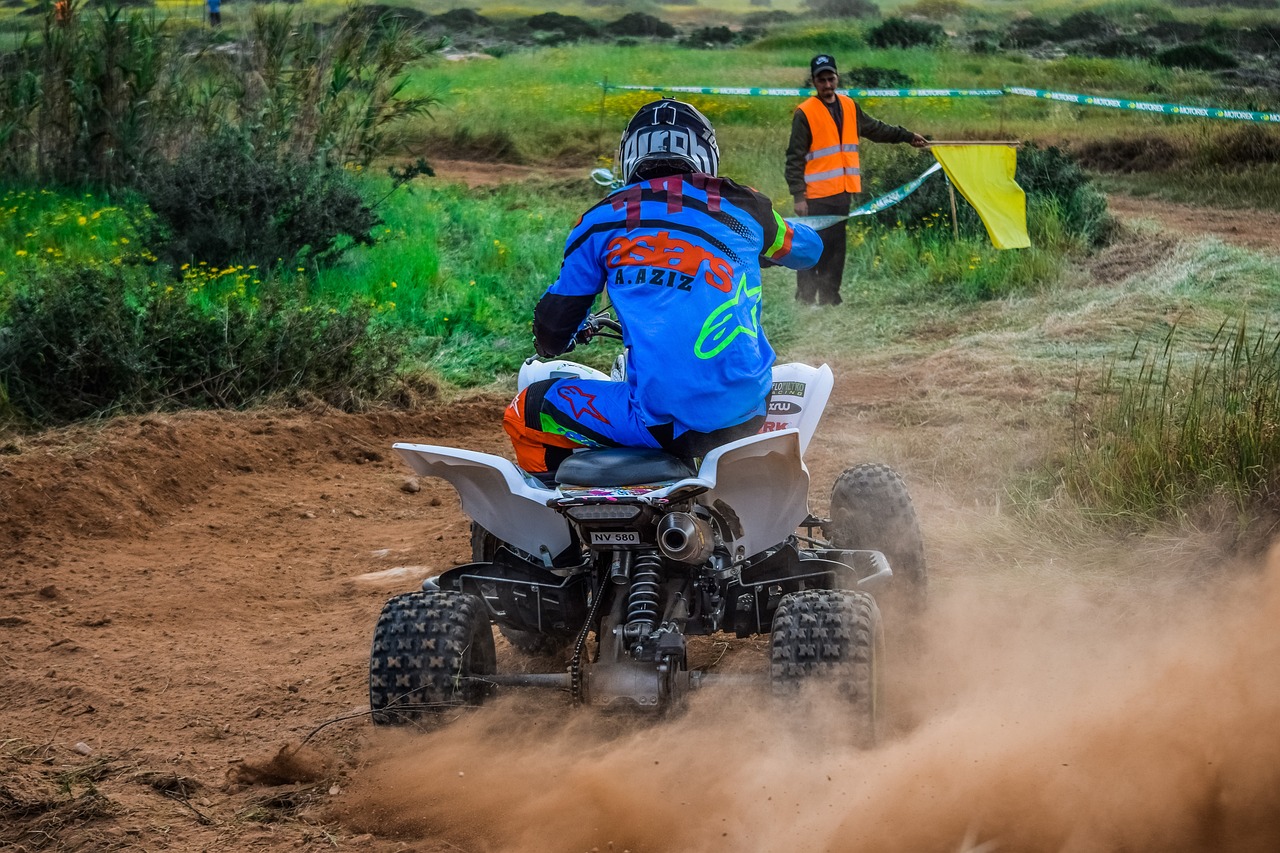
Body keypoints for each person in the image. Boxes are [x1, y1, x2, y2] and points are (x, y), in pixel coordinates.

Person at [505, 98, 824, 477]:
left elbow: (553, 333)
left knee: (525, 411)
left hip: (660, 424)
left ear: (630, 154)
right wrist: (758, 247)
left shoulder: (599, 221)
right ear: (705, 152)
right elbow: (809, 251)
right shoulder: (746, 207)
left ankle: (567, 516)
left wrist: (560, 337)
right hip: (748, 412)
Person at [785, 54, 929, 306]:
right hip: (815, 195)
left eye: (831, 79)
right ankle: (806, 299)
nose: (827, 85)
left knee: (836, 249)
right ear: (814, 82)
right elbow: (794, 157)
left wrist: (907, 136)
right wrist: (799, 195)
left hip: (842, 193)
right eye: (822, 80)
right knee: (810, 247)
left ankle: (830, 297)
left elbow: (876, 129)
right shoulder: (804, 113)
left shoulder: (850, 106)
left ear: (837, 78)